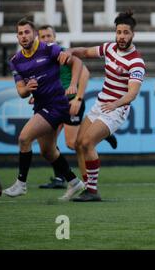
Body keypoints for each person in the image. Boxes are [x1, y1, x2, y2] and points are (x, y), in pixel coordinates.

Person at [60, 10, 145, 202]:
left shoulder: (136, 62)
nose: (121, 36)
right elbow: (86, 52)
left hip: (116, 109)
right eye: (119, 32)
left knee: (88, 143)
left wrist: (115, 103)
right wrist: (71, 51)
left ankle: (93, 191)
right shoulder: (109, 48)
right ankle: (87, 186)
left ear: (133, 34)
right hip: (100, 104)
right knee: (78, 145)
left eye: (125, 33)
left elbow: (132, 93)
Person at [3, 18, 85, 200]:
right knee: (47, 151)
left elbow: (77, 62)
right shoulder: (15, 61)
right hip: (40, 106)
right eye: (20, 33)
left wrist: (73, 85)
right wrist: (27, 88)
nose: (23, 36)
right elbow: (21, 93)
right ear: (17, 37)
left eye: (26, 32)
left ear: (33, 34)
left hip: (56, 104)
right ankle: (74, 182)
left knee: (24, 138)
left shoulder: (49, 49)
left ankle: (21, 184)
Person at [37, 25, 118, 189]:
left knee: (73, 144)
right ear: (38, 40)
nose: (46, 39)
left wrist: (78, 99)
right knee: (47, 146)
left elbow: (85, 72)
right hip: (53, 104)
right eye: (43, 37)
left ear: (55, 37)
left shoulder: (63, 53)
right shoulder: (40, 59)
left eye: (49, 36)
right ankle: (60, 177)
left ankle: (100, 136)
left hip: (70, 102)